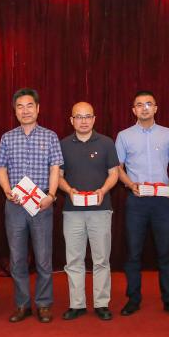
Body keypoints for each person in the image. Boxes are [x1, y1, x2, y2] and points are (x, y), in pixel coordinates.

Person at [0, 88, 63, 323]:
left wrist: (51, 195)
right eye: (20, 106)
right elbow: (1, 169)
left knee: (43, 258)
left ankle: (44, 304)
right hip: (15, 204)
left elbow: (55, 168)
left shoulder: (50, 136)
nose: (25, 111)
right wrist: (7, 191)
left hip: (41, 203)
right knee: (17, 259)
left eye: (29, 106)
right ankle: (22, 304)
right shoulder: (7, 137)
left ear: (38, 108)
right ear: (15, 111)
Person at [114, 91, 169, 317]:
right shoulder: (124, 136)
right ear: (133, 110)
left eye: (149, 104)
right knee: (133, 252)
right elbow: (117, 168)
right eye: (139, 105)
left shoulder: (167, 133)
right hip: (137, 200)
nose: (144, 108)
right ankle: (133, 298)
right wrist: (130, 184)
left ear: (155, 108)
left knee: (166, 251)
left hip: (162, 200)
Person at [58, 101, 120, 321]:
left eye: (87, 117)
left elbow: (114, 173)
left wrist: (103, 190)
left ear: (94, 119)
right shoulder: (63, 144)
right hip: (72, 210)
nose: (83, 121)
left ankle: (102, 303)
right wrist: (69, 190)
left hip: (100, 209)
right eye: (78, 117)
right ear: (71, 120)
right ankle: (77, 304)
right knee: (73, 259)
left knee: (101, 259)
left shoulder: (106, 143)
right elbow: (58, 176)